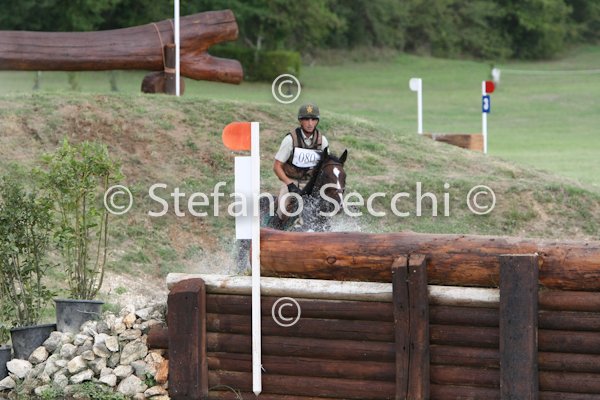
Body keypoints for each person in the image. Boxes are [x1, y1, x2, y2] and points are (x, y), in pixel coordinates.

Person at [272, 103, 329, 225]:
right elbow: (277, 166)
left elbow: (327, 167)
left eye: (313, 119)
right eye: (306, 119)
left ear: (317, 121)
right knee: (282, 208)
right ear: (300, 121)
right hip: (291, 181)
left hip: (312, 183)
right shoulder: (290, 140)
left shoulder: (322, 141)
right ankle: (276, 227)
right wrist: (289, 184)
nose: (310, 123)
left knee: (326, 208)